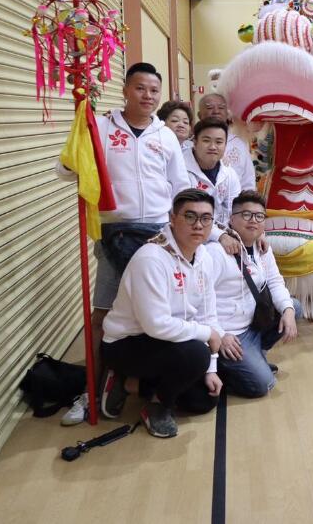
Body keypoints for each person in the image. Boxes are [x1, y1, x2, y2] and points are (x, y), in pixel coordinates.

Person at [55, 62, 204, 425]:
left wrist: (193, 230)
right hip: (114, 233)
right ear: (125, 91)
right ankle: (91, 391)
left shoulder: (165, 136)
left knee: (159, 311)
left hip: (156, 235)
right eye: (140, 88)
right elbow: (64, 171)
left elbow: (180, 189)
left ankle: (134, 381)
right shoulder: (101, 126)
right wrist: (79, 149)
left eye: (154, 90)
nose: (147, 96)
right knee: (104, 313)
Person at [99, 189, 226, 437]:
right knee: (196, 355)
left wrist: (211, 368)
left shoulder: (204, 257)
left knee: (203, 400)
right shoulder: (151, 258)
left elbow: (208, 315)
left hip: (169, 341)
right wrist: (207, 336)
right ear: (172, 218)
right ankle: (156, 406)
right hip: (126, 344)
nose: (198, 225)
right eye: (190, 216)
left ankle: (129, 384)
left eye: (206, 218)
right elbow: (155, 324)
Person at [210, 191, 300, 398]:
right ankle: (224, 367)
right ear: (232, 219)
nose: (253, 220)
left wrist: (288, 311)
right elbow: (200, 302)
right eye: (246, 215)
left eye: (259, 216)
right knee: (262, 385)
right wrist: (220, 335)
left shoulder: (262, 248)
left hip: (252, 323)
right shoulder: (216, 253)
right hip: (230, 333)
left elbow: (275, 282)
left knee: (294, 307)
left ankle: (255, 356)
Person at [185, 118, 243, 228]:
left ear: (225, 145)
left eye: (219, 142)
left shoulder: (229, 173)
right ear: (195, 142)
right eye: (206, 141)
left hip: (221, 231)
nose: (212, 147)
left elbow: (235, 210)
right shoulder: (180, 169)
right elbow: (184, 213)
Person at [195, 92, 257, 191]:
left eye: (221, 108)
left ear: (227, 114)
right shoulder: (190, 144)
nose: (216, 111)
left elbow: (248, 181)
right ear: (199, 115)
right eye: (210, 107)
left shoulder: (238, 144)